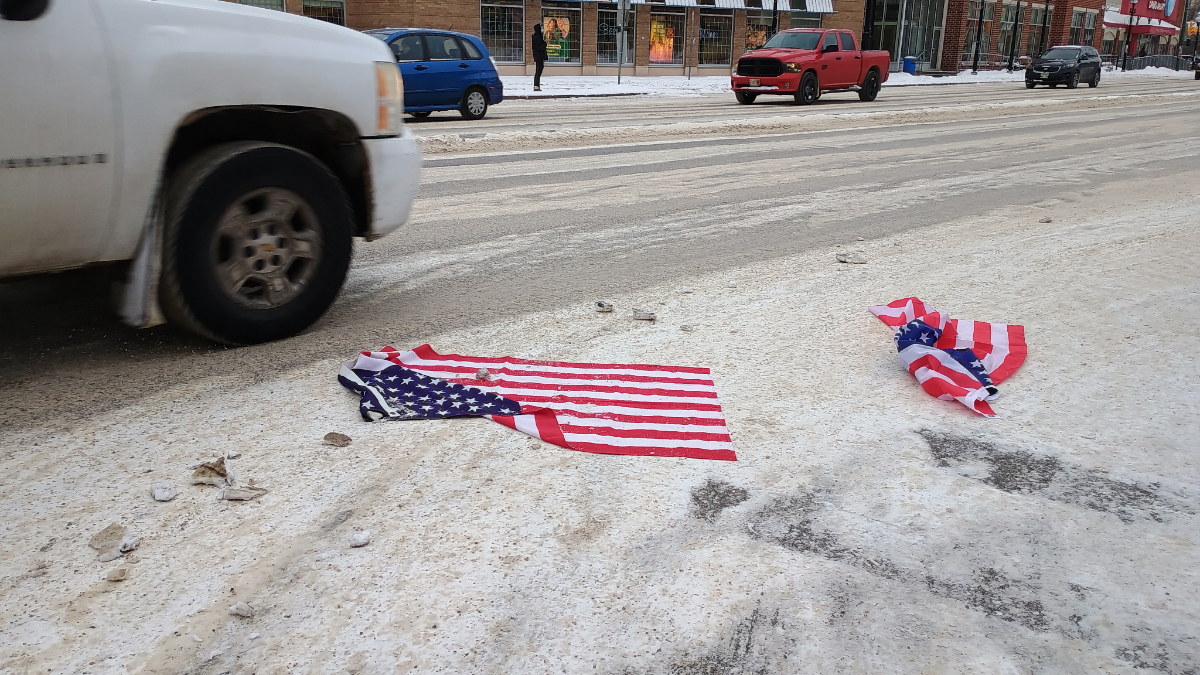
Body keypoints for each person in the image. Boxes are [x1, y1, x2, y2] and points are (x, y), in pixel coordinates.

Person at [532, 23, 547, 91]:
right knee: (538, 71)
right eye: (541, 28)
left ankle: (537, 85)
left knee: (538, 71)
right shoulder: (537, 38)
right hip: (539, 57)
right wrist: (545, 43)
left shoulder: (538, 37)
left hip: (539, 57)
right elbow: (539, 48)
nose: (542, 29)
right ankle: (536, 85)